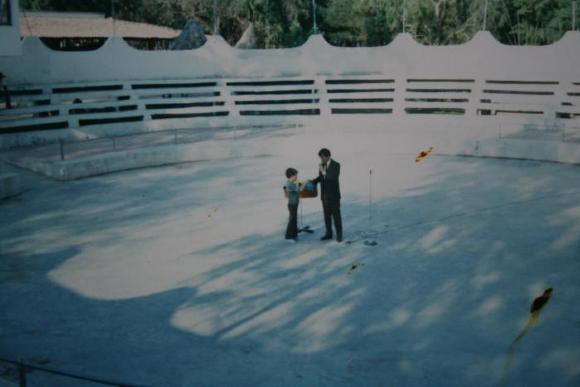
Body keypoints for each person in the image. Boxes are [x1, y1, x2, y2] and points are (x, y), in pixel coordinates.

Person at [311, 148, 343, 242]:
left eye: (323, 157)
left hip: (334, 196)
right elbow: (321, 178)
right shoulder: (322, 165)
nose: (321, 159)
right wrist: (313, 182)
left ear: (328, 156)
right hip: (324, 196)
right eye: (320, 158)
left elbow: (332, 177)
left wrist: (323, 172)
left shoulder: (336, 165)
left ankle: (339, 236)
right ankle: (329, 234)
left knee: (336, 216)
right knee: (327, 216)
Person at [284, 167, 303, 241]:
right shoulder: (289, 184)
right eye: (295, 175)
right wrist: (303, 184)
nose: (297, 177)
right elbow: (300, 189)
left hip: (295, 203)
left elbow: (298, 183)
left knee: (294, 219)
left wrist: (299, 182)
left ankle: (294, 233)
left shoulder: (292, 182)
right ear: (291, 176)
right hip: (292, 204)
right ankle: (288, 236)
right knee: (292, 220)